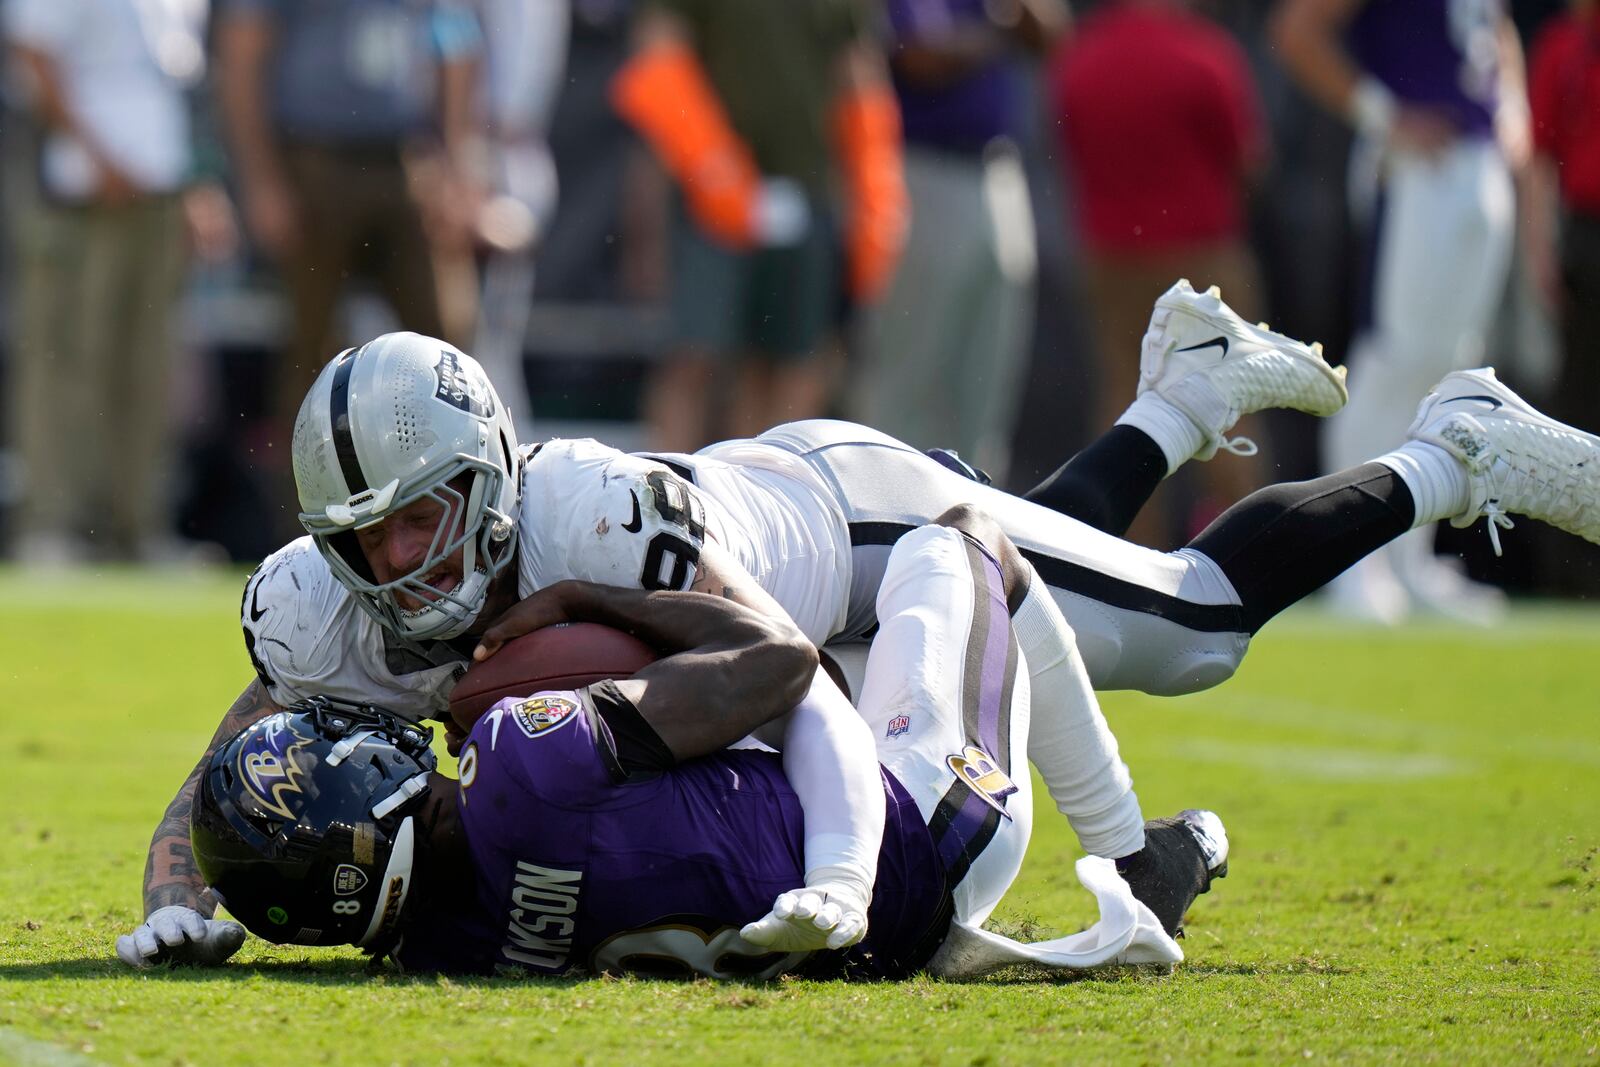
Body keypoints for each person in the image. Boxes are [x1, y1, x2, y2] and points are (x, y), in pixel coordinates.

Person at [116, 282, 1600, 967]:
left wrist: (841, 866)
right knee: (1059, 569)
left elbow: (784, 678)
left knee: (1189, 626)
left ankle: (1448, 452)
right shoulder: (327, 606)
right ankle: (1187, 393)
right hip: (782, 621)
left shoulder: (591, 516)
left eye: (416, 514)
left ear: (488, 480)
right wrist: (177, 883)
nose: (393, 558)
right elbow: (242, 750)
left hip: (854, 534)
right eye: (357, 533)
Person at [184, 512, 1226, 979]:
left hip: (864, 946)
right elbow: (780, 664)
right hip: (929, 832)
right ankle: (1136, 848)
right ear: (354, 792)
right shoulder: (519, 756)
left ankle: (1149, 853)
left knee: (830, 685)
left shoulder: (432, 946)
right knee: (958, 540)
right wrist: (594, 597)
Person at [1271, 0, 1530, 623]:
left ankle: (1411, 561)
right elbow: (1297, 31)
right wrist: (1383, 115)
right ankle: (1351, 558)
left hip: (1477, 162)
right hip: (1420, 170)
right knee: (1393, 362)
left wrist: (1513, 112)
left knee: (1450, 373)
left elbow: (1494, 28)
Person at [214, 0, 485, 539]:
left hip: (407, 159)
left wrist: (457, 167)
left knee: (446, 350)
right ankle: (305, 533)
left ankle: (459, 517)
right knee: (311, 359)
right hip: (314, 159)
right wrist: (262, 179)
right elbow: (241, 59)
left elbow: (455, 44)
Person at [612, 0, 908, 450]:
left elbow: (858, 70)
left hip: (808, 192)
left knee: (793, 365)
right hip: (707, 198)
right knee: (694, 360)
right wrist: (715, 172)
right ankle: (665, 492)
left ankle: (764, 502)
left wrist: (874, 198)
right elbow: (658, 53)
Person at [3, 0, 234, 563]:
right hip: (82, 196)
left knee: (148, 368)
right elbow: (31, 59)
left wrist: (193, 181)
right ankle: (53, 529)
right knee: (68, 362)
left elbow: (169, 81)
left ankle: (141, 529)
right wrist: (97, 155)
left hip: (157, 193)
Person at [1049, 0, 1271, 547]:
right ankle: (1248, 551)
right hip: (1200, 258)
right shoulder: (1203, 53)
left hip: (1112, 260)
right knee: (1228, 403)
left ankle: (1121, 556)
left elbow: (1067, 146)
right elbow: (1250, 158)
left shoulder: (1080, 56)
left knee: (1124, 408)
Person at [849, 0, 1069, 483]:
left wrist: (1012, 21)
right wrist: (1001, 28)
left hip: (999, 176)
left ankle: (975, 517)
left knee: (987, 372)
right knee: (908, 367)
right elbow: (921, 56)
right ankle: (877, 505)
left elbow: (1051, 35)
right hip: (923, 172)